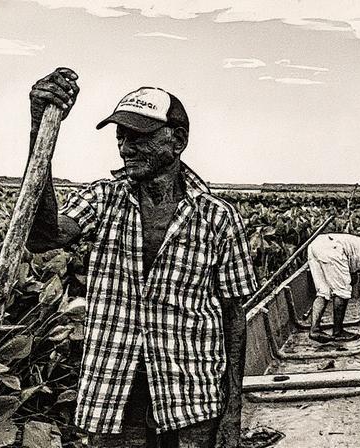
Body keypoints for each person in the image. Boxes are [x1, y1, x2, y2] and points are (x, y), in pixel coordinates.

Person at [25, 68, 258, 448]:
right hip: (115, 395)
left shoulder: (217, 216)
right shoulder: (103, 198)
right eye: (121, 137)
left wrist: (232, 414)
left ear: (178, 141)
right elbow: (42, 237)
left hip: (193, 398)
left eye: (140, 138)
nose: (125, 147)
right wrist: (40, 131)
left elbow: (234, 317)